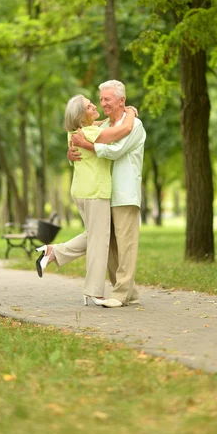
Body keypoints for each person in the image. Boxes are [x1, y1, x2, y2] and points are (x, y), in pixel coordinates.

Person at [35, 94, 136, 307]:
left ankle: (53, 252)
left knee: (95, 235)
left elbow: (102, 124)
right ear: (82, 117)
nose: (95, 107)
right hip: (95, 192)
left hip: (82, 191)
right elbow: (122, 131)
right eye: (90, 106)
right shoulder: (91, 133)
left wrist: (100, 120)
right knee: (99, 242)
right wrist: (131, 113)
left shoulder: (76, 132)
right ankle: (94, 292)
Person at [71, 80, 146, 308]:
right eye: (100, 99)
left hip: (125, 193)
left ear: (121, 101)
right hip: (106, 193)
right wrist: (72, 151)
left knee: (126, 245)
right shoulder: (104, 127)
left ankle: (121, 293)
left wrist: (87, 145)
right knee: (110, 246)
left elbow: (116, 151)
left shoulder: (135, 125)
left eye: (107, 99)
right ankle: (127, 292)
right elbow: (86, 138)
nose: (103, 104)